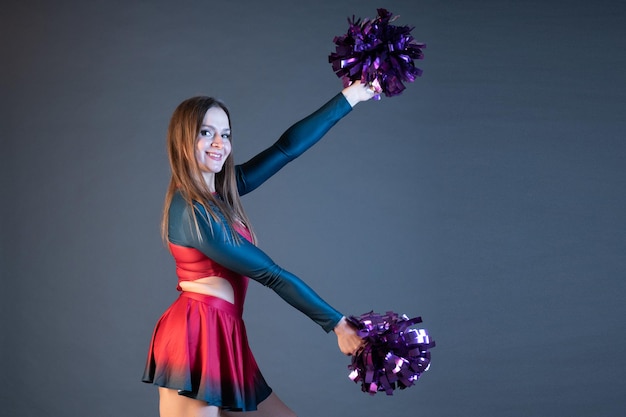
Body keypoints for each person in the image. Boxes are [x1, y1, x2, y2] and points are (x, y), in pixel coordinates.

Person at [142, 80, 377, 417]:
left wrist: (353, 95)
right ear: (182, 140)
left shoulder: (221, 192)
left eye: (225, 133)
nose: (219, 143)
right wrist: (338, 325)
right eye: (206, 133)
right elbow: (270, 274)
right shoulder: (192, 211)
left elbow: (286, 148)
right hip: (194, 336)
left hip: (226, 332)